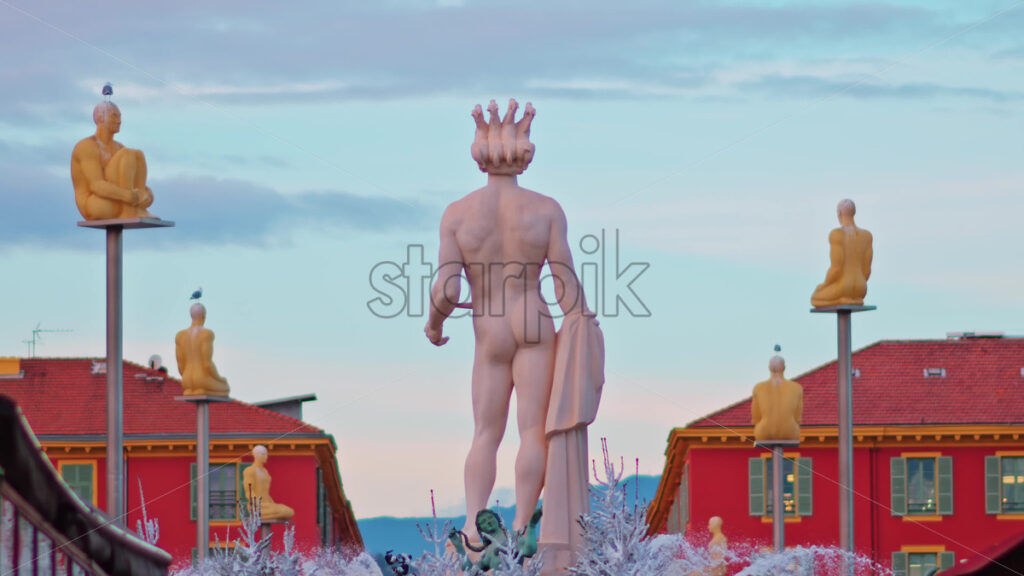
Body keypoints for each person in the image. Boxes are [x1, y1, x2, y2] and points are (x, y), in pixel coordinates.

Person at [425, 99, 594, 543]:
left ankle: (472, 529)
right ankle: (522, 526)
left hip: (491, 326)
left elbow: (447, 291)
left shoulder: (457, 214)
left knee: (485, 431)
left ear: (478, 157)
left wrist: (435, 324)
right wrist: (581, 322)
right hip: (534, 318)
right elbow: (564, 281)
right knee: (532, 430)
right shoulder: (546, 209)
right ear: (525, 156)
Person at [71, 99, 156, 220]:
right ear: (100, 118)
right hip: (95, 204)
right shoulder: (87, 146)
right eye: (114, 116)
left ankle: (136, 209)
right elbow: (97, 185)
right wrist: (130, 196)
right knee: (128, 154)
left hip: (115, 201)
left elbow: (131, 181)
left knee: (138, 154)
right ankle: (129, 210)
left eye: (120, 117)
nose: (119, 121)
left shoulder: (120, 148)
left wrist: (147, 194)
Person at [810, 199, 872, 307]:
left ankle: (842, 300)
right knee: (850, 295)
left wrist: (824, 285)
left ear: (839, 213)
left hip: (843, 287)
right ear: (854, 212)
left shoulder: (837, 234)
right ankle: (855, 300)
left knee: (815, 299)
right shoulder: (866, 236)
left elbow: (836, 268)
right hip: (861, 289)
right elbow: (866, 270)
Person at [175, 303, 229, 397]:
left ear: (191, 315)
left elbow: (180, 366)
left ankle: (191, 389)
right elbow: (207, 363)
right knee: (225, 387)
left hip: (186, 381)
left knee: (191, 391)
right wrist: (219, 379)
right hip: (202, 380)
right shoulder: (206, 334)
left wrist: (186, 375)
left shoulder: (180, 335)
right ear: (204, 315)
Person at [751, 355, 803, 443]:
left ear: (769, 367)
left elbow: (755, 418)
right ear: (784, 367)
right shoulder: (797, 388)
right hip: (791, 432)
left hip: (763, 432)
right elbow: (798, 418)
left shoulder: (759, 387)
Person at [243, 445, 294, 521]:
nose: (266, 457)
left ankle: (264, 516)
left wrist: (272, 504)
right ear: (256, 455)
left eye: (266, 454)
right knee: (284, 511)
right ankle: (259, 515)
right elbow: (249, 492)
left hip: (267, 504)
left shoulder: (265, 472)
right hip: (257, 506)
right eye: (263, 454)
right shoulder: (250, 470)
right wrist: (258, 504)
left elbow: (266, 493)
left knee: (290, 512)